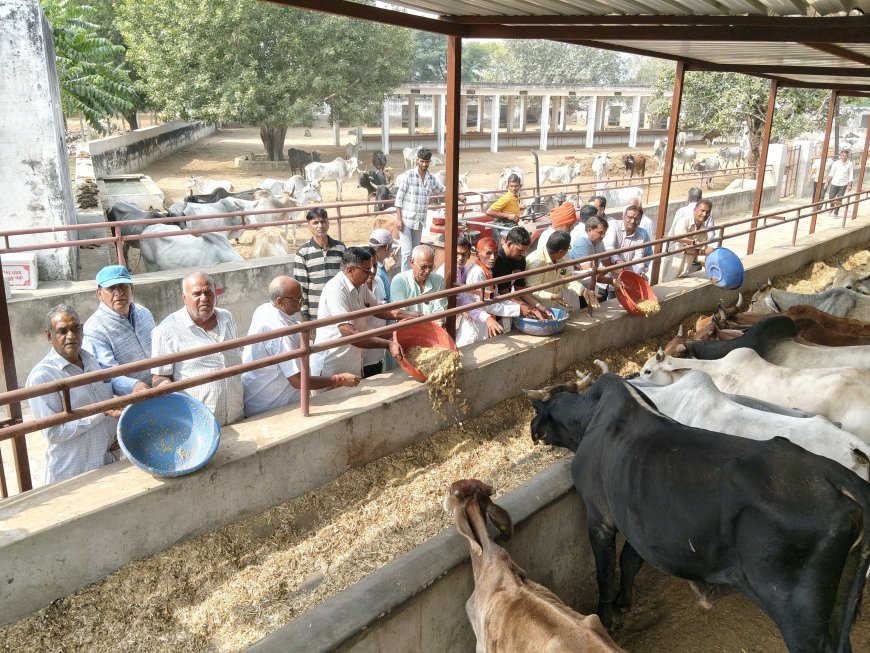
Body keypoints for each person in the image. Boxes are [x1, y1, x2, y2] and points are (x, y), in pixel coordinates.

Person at [27, 304, 121, 484]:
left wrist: (113, 434)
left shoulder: (91, 361)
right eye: (62, 331)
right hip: (73, 474)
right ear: (49, 336)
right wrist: (101, 413)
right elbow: (53, 433)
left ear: (82, 329)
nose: (71, 336)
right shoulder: (43, 377)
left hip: (106, 463)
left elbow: (105, 404)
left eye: (75, 328)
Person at [240, 276, 360, 417]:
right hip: (272, 408)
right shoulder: (281, 333)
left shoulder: (264, 309)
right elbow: (297, 381)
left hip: (263, 398)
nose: (301, 303)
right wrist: (339, 380)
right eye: (297, 300)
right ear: (280, 301)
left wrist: (299, 327)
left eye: (301, 298)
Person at [151, 272, 244, 426]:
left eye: (209, 292)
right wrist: (166, 388)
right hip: (200, 424)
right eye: (196, 294)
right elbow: (159, 377)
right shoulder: (166, 330)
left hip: (237, 414)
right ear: (184, 298)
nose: (204, 298)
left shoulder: (227, 318)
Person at [312, 247, 421, 377]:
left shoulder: (360, 286)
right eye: (366, 270)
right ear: (350, 270)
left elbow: (379, 309)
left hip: (352, 362)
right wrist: (388, 344)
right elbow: (349, 333)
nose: (371, 273)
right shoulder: (336, 290)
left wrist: (413, 315)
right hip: (330, 365)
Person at [82, 265, 154, 395]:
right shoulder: (95, 330)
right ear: (99, 293)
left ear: (131, 288)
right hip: (130, 397)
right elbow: (107, 375)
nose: (119, 293)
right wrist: (134, 385)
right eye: (111, 288)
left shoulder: (144, 313)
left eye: (123, 286)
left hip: (160, 384)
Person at [455, 237, 521, 347]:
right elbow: (487, 305)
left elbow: (494, 296)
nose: (492, 258)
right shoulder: (477, 273)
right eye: (488, 253)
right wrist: (518, 309)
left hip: (481, 321)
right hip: (474, 324)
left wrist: (518, 305)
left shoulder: (485, 270)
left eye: (495, 254)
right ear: (478, 253)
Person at [394, 148, 445, 272]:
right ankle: (405, 281)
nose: (424, 164)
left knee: (416, 252)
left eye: (427, 162)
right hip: (406, 220)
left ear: (430, 162)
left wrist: (458, 196)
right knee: (406, 253)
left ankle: (414, 277)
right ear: (417, 160)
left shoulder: (431, 178)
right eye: (422, 161)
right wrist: (399, 219)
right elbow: (399, 198)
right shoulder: (409, 175)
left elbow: (443, 190)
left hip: (419, 221)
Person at [293, 207, 346, 321]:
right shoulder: (303, 252)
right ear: (309, 226)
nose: (320, 226)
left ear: (328, 223)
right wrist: (305, 316)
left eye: (323, 221)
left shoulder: (340, 248)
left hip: (339, 308)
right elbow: (301, 287)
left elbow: (345, 279)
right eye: (315, 223)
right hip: (315, 313)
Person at [492, 227, 552, 320]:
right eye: (519, 250)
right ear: (509, 244)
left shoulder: (520, 259)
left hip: (506, 305)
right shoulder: (498, 259)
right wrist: (529, 307)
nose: (523, 254)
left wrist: (539, 306)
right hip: (492, 307)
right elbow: (504, 293)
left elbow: (519, 288)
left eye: (525, 250)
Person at [524, 231, 594, 310]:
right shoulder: (537, 263)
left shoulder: (560, 258)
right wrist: (553, 296)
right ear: (561, 251)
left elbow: (566, 278)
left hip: (553, 305)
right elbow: (532, 290)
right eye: (568, 248)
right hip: (536, 307)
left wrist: (583, 291)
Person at [568, 216, 622, 303]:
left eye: (604, 233)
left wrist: (620, 273)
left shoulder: (599, 242)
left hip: (587, 286)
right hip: (576, 287)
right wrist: (612, 281)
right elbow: (589, 273)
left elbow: (606, 262)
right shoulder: (581, 242)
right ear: (589, 230)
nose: (603, 236)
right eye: (600, 233)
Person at [390, 244, 448, 317]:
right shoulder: (399, 281)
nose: (427, 271)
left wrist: (439, 320)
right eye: (423, 267)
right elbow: (401, 314)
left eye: (430, 267)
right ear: (412, 263)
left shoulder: (439, 281)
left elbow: (440, 310)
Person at [603, 205, 654, 281]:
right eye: (630, 218)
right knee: (603, 292)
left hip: (626, 276)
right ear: (623, 217)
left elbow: (638, 258)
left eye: (637, 219)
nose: (633, 221)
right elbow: (609, 247)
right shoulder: (613, 225)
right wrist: (617, 260)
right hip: (608, 275)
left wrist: (639, 273)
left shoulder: (642, 235)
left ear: (640, 221)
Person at [667, 199, 716, 275]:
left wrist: (713, 270)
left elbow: (701, 256)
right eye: (702, 211)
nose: (704, 214)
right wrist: (703, 252)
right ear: (695, 210)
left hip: (685, 270)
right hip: (674, 266)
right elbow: (682, 249)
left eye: (707, 212)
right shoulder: (684, 222)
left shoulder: (703, 230)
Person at [368, 228, 398, 302]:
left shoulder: (374, 268)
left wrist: (386, 269)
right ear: (387, 247)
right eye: (391, 246)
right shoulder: (377, 272)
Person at [825, 149, 854, 216]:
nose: (844, 157)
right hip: (834, 182)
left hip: (843, 184)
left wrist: (850, 185)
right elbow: (831, 173)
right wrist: (827, 182)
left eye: (845, 156)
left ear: (847, 156)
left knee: (839, 198)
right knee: (831, 197)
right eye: (842, 155)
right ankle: (831, 208)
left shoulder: (850, 164)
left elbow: (850, 175)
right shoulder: (836, 163)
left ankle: (836, 212)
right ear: (840, 155)